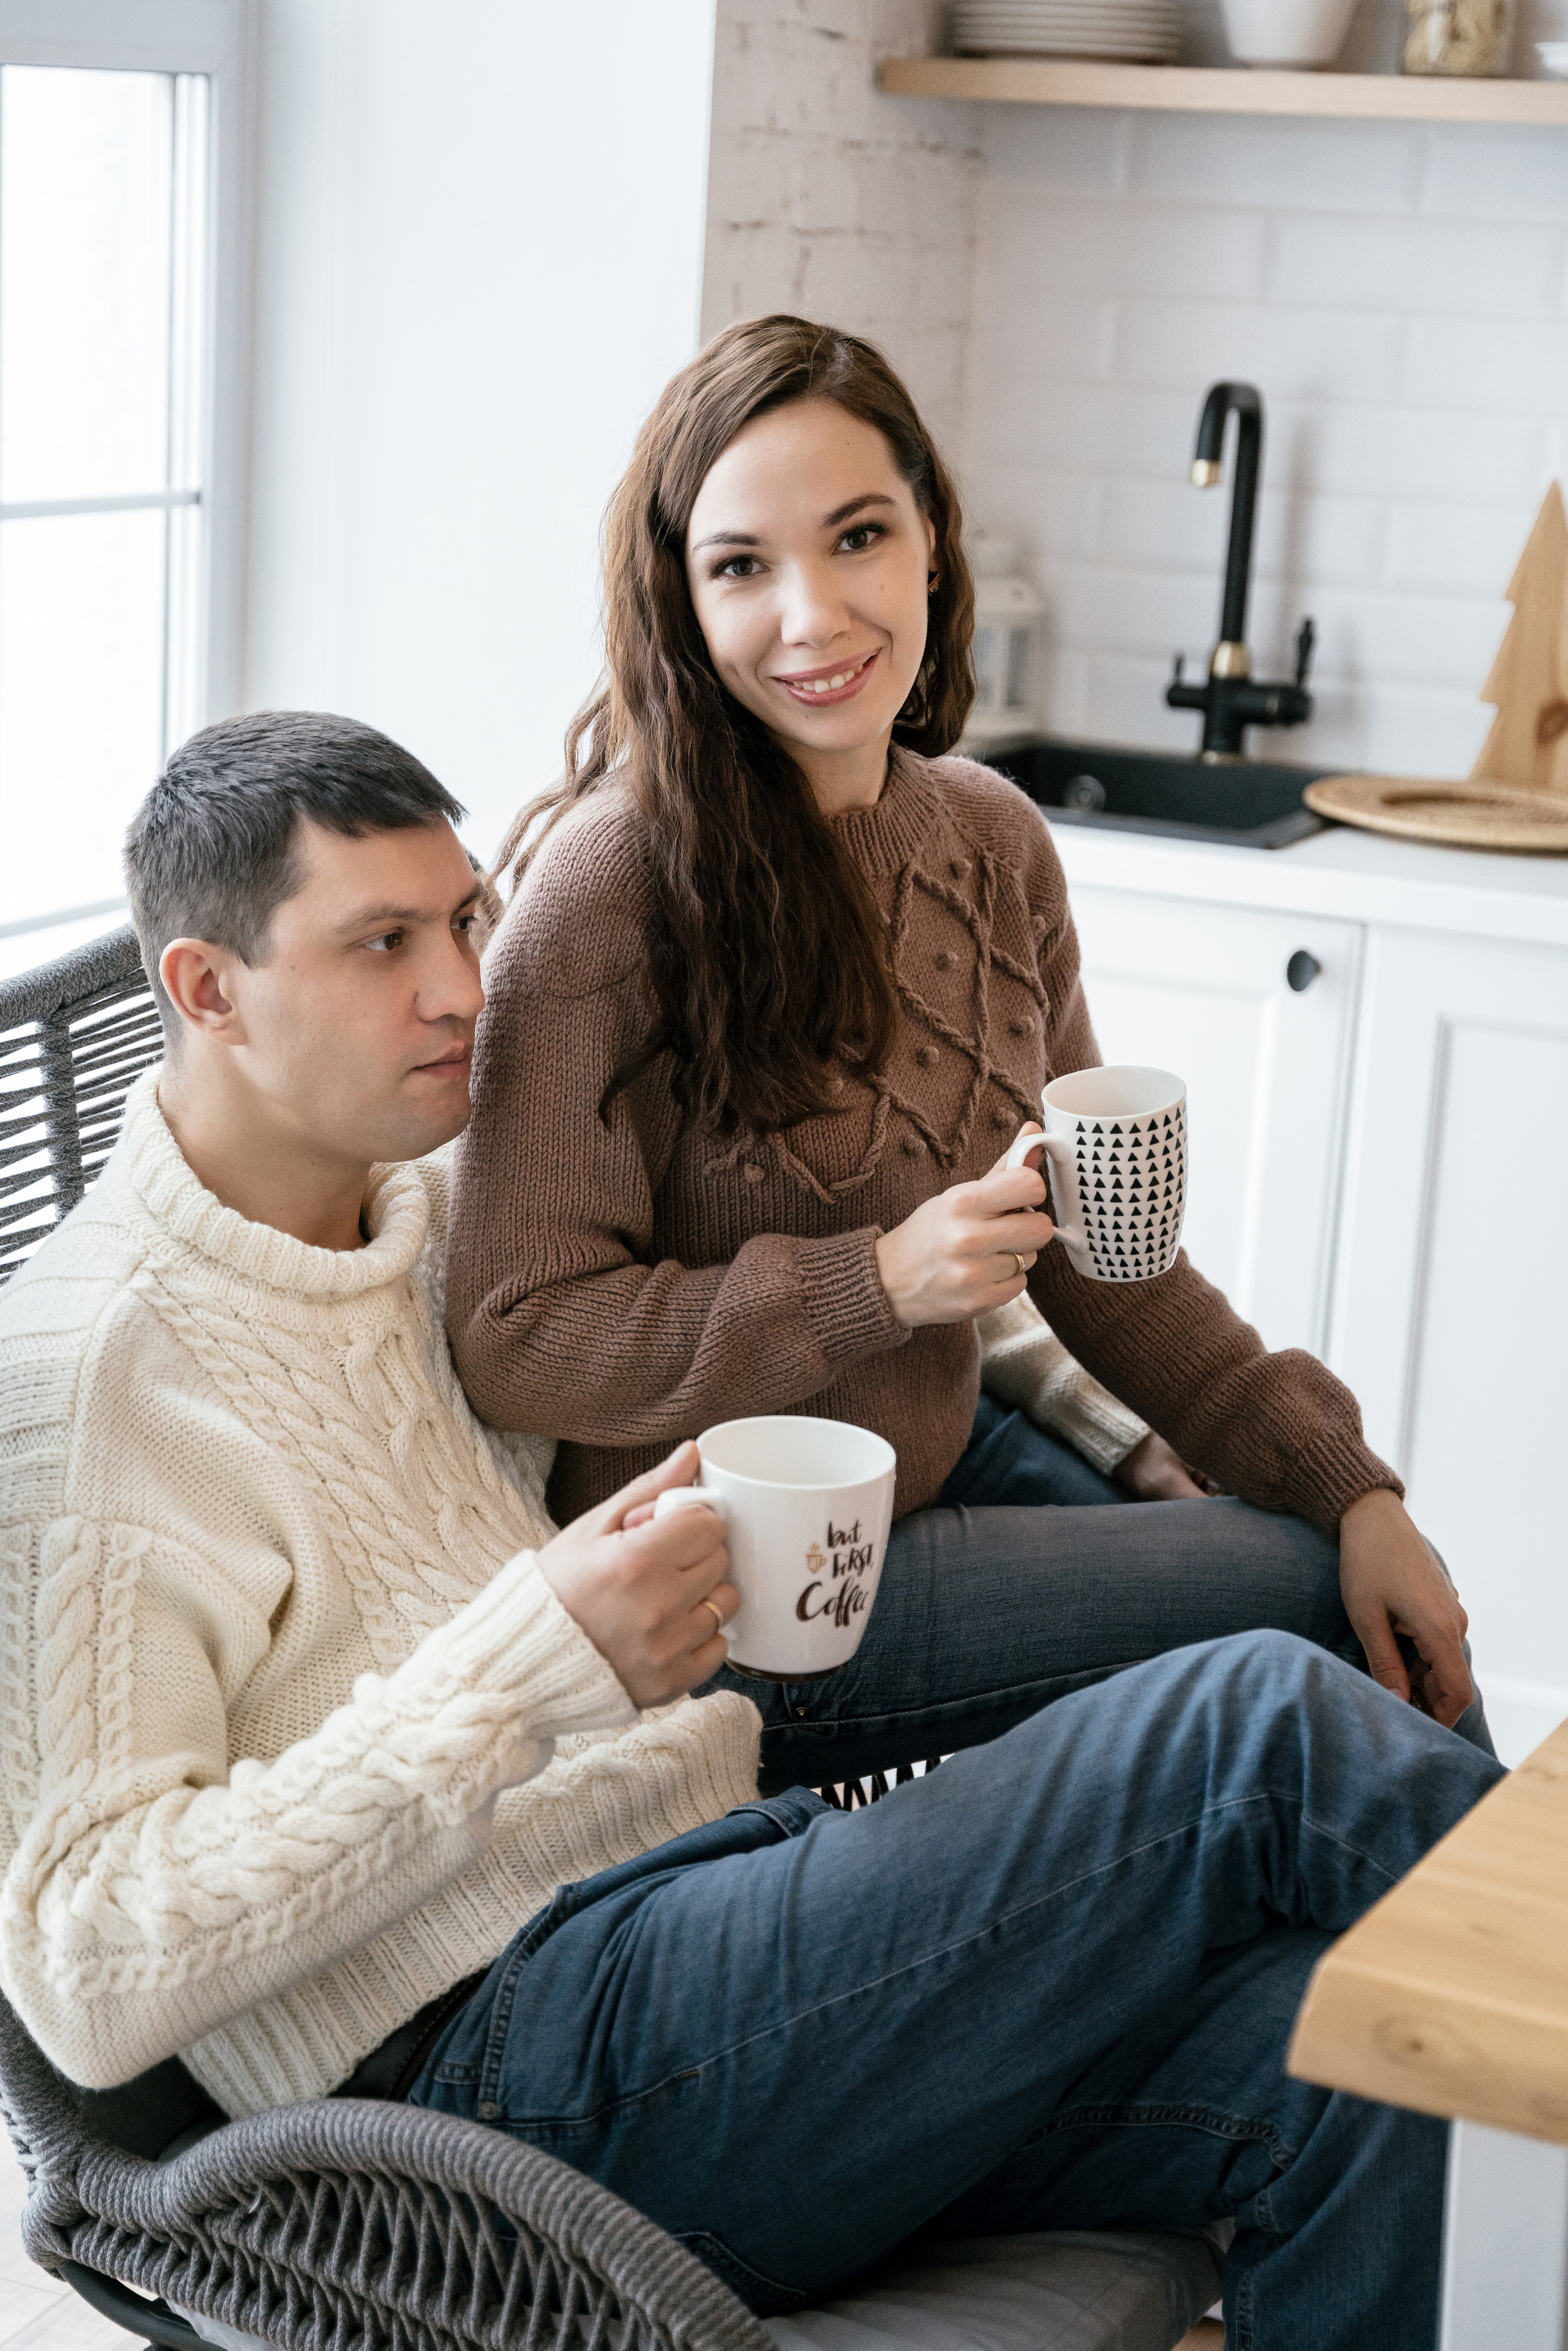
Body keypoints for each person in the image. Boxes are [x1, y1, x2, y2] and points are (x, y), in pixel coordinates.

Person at [0, 712, 1507, 2351]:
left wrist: (1114, 1430)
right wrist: (535, 1664)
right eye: (382, 943)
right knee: (1249, 1729)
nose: (461, 989)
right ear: (208, 990)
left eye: (463, 923)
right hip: (502, 2093)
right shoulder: (95, 1383)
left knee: (1359, 2062)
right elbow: (90, 1970)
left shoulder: (424, 1211)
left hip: (721, 1932)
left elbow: (848, 1273)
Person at [444, 315, 1488, 1791]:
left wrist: (1347, 1478)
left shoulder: (989, 843)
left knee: (1355, 1558)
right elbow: (515, 1328)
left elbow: (1097, 1253)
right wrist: (872, 1283)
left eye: (856, 535)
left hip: (934, 1475)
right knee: (1309, 1601)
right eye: (742, 565)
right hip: (752, 1602)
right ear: (680, 602)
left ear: (930, 539)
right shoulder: (611, 890)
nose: (810, 617)